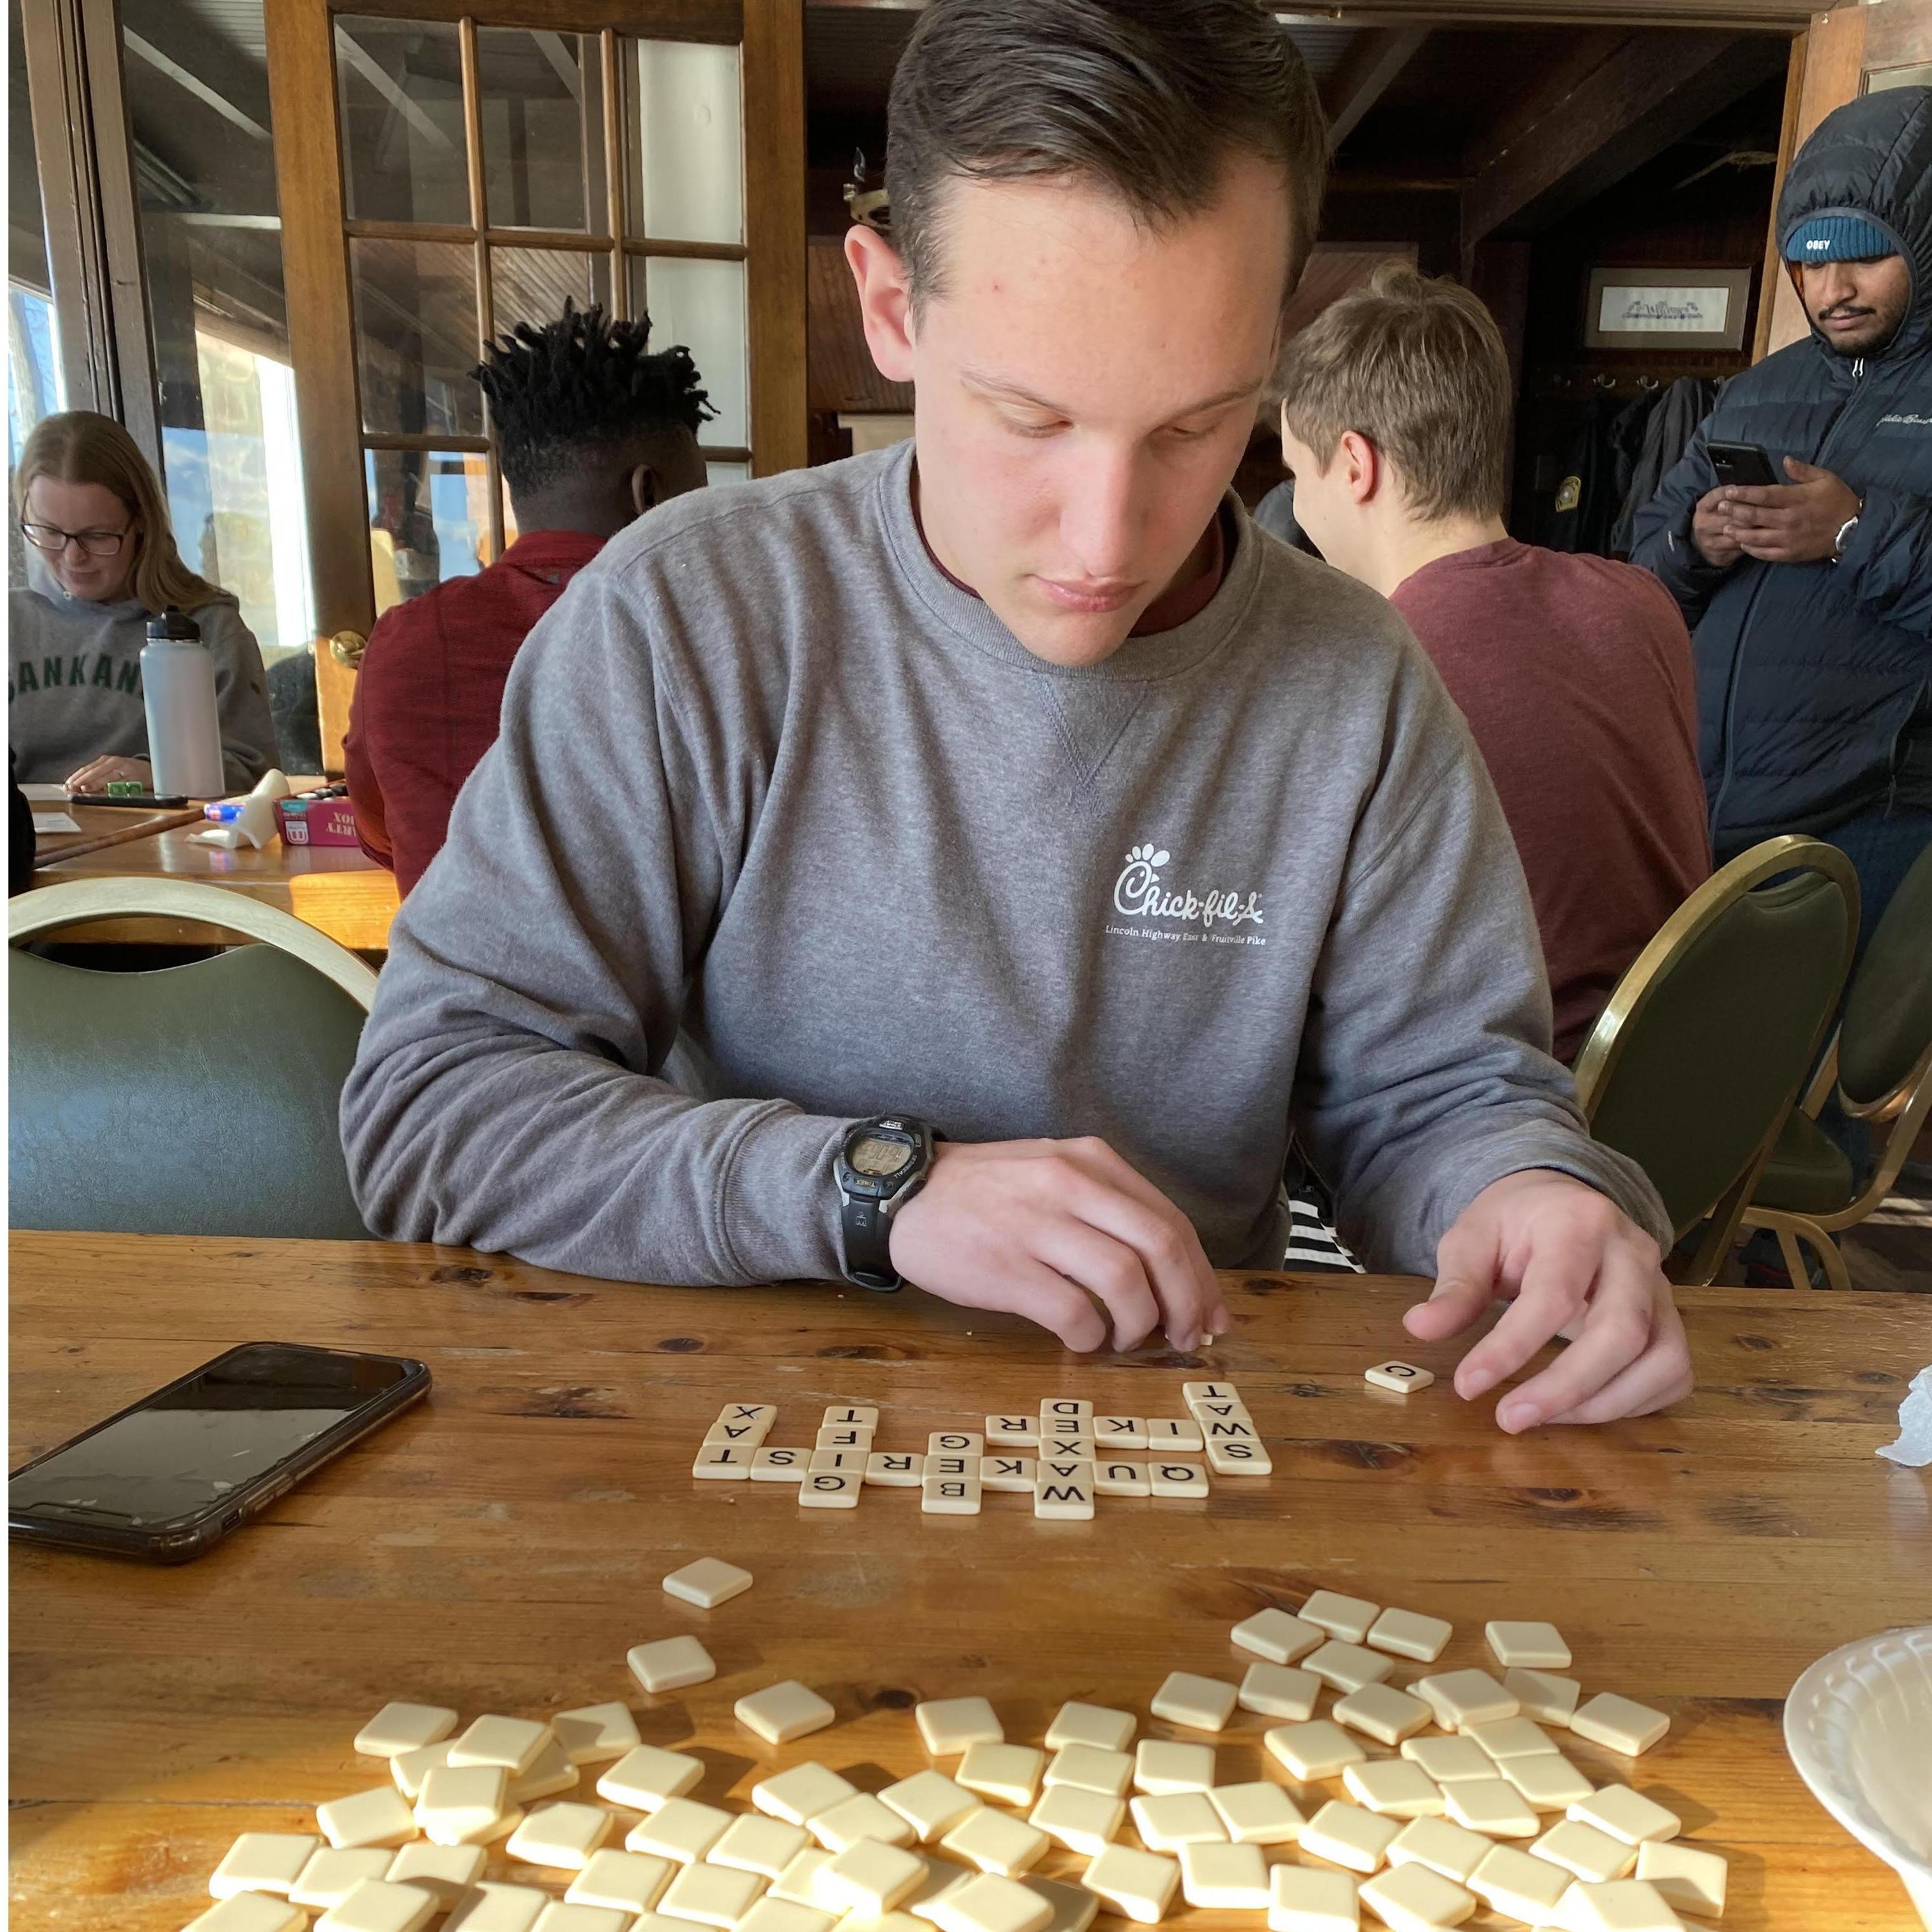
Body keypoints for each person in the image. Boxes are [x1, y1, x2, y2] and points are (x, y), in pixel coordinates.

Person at [343, 0, 1690, 1434]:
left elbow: (1442, 1095)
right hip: (741, 1433)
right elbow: (438, 1106)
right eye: (1029, 419)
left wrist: (1528, 1187)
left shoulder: (1355, 680)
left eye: (1195, 426)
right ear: (889, 309)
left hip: (1172, 1437)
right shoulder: (689, 615)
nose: (1109, 538)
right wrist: (875, 1191)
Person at [1275, 264, 1711, 1065]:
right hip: (1680, 1080)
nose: (1297, 506)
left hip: (1504, 1111)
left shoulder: (1374, 664)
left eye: (1297, 474)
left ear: (1355, 465)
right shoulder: (1643, 603)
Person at [1630, 86, 1932, 958]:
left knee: (1843, 1091)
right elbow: (1639, 582)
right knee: (1717, 1084)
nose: (1828, 290)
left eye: (1864, 258)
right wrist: (1698, 543)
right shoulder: (1757, 390)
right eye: (1806, 261)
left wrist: (1853, 530)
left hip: (1881, 824)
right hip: (1706, 817)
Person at [344, 305, 711, 894]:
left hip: (455, 982)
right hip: (667, 989)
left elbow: (378, 828)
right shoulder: (710, 637)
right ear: (650, 494)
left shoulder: (403, 643)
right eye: (700, 495)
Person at [9, 411, 279, 793]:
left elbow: (259, 775)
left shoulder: (208, 627)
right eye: (49, 532)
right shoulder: (12, 621)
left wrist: (159, 775)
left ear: (139, 522)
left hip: (162, 845)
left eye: (97, 535)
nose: (72, 558)